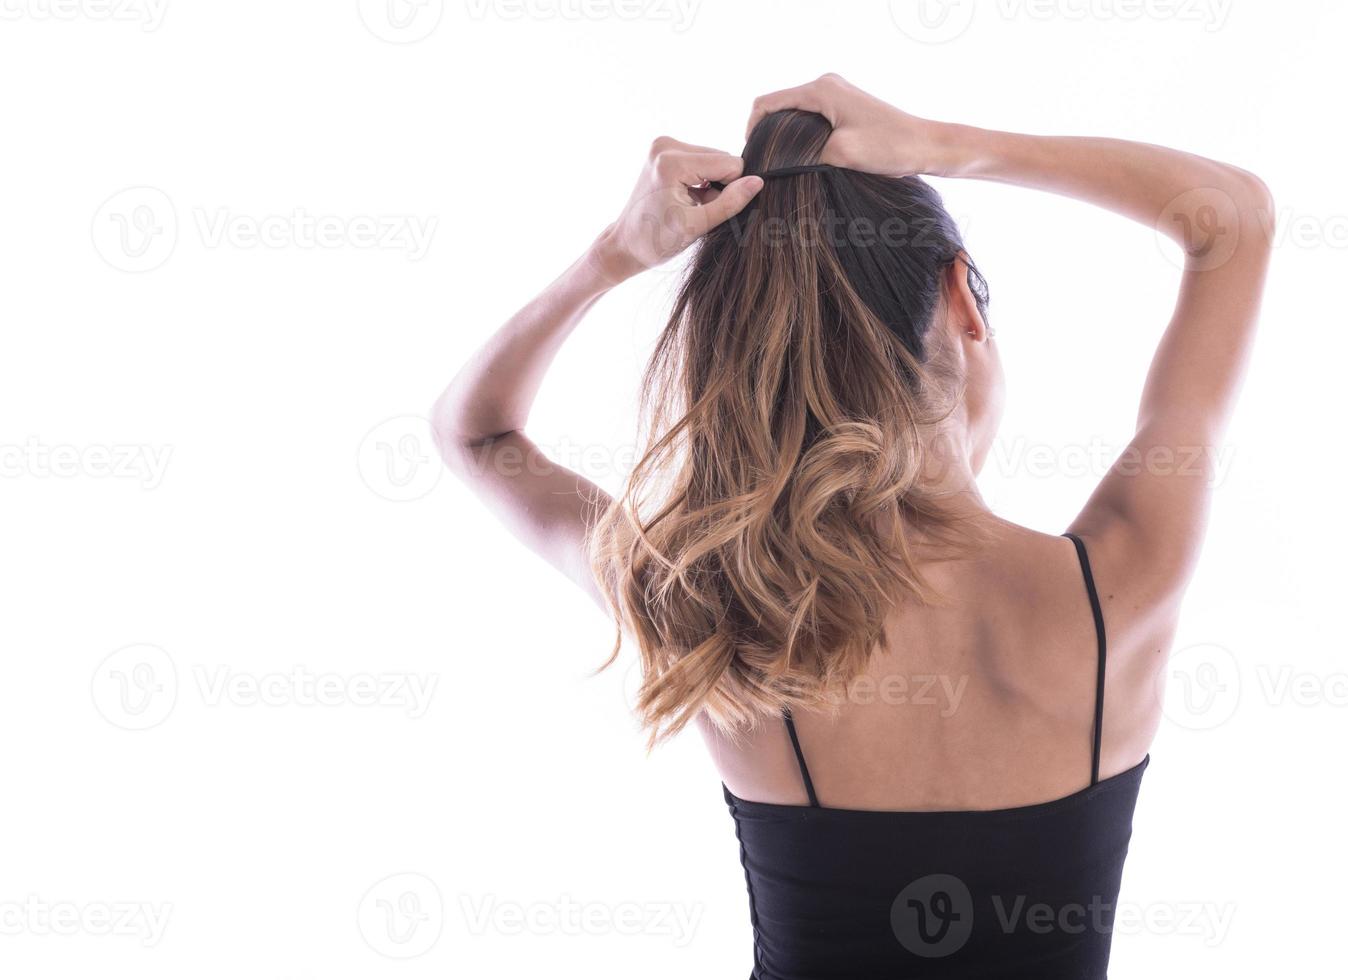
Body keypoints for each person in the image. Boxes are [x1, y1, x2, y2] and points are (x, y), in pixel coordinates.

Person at [432, 74, 1272, 979]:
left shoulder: (714, 606)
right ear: (963, 300)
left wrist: (616, 253)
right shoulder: (1122, 585)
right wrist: (942, 142)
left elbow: (476, 434)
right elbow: (1233, 220)